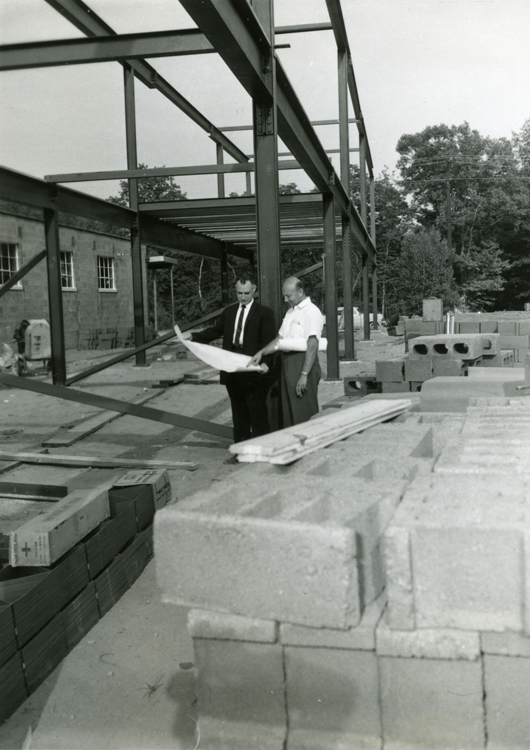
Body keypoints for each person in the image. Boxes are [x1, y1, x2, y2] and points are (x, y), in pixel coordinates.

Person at [182, 276, 277, 450]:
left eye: (246, 293)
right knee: (238, 413)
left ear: (254, 289)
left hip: (253, 368)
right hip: (231, 367)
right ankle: (240, 452)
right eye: (239, 293)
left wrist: (266, 363)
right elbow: (215, 331)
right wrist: (194, 337)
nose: (243, 297)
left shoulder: (265, 313)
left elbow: (269, 342)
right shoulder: (229, 311)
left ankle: (263, 451)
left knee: (257, 413)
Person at [249, 276, 324, 427]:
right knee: (289, 411)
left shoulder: (311, 311)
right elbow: (279, 339)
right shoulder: (290, 312)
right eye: (284, 296)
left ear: (300, 292)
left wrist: (304, 375)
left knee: (303, 410)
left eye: (288, 296)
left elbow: (312, 345)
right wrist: (261, 352)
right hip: (287, 362)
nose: (285, 299)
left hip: (302, 362)